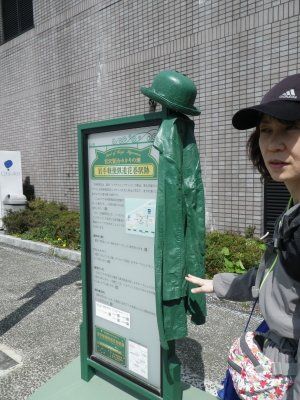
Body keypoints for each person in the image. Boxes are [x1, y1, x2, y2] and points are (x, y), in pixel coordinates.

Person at [186, 73, 300, 399]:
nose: (274, 143)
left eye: (291, 127)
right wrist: (218, 284)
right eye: (266, 130)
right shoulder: (293, 207)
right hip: (273, 345)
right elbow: (268, 277)